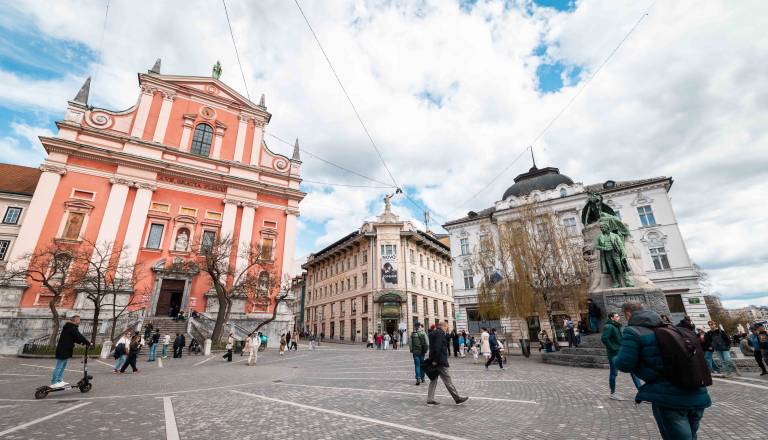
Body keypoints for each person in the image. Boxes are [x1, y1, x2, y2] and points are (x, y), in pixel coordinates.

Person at [614, 302, 711, 440]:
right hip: (697, 391)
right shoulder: (673, 328)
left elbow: (624, 364)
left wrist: (616, 357)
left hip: (669, 396)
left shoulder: (633, 331)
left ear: (628, 314)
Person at [601, 312, 642, 400]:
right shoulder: (608, 326)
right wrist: (613, 348)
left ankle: (641, 392)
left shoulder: (618, 326)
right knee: (613, 373)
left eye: (618, 316)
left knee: (633, 371)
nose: (619, 317)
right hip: (614, 354)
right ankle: (613, 393)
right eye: (616, 316)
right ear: (612, 318)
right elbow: (604, 338)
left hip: (623, 352)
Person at [426, 321, 469, 406]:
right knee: (448, 380)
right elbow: (438, 347)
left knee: (433, 380)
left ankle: (430, 399)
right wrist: (436, 360)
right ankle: (457, 398)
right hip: (440, 361)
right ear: (443, 326)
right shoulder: (440, 333)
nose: (447, 329)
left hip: (434, 360)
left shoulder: (433, 333)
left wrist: (433, 359)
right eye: (446, 327)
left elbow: (433, 347)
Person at [51, 315, 90, 386]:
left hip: (66, 349)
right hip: (63, 349)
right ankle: (54, 382)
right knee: (59, 366)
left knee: (62, 366)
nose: (80, 321)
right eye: (79, 320)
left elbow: (75, 338)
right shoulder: (71, 327)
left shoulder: (70, 327)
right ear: (75, 320)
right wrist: (87, 342)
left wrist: (83, 343)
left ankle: (59, 380)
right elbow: (78, 336)